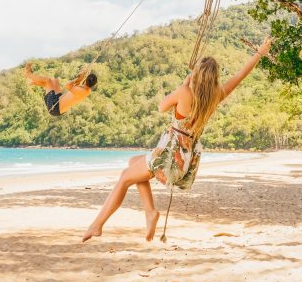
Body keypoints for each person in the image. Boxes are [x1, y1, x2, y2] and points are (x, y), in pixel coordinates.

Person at [82, 37, 272, 243]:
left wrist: (184, 84)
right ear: (215, 78)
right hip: (184, 157)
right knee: (132, 163)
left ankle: (97, 225)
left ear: (196, 75)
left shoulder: (184, 92)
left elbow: (162, 107)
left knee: (125, 178)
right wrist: (260, 53)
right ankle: (150, 212)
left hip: (168, 155)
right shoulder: (217, 95)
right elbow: (241, 75)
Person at [25, 63, 98, 116]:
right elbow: (77, 84)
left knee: (48, 81)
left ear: (85, 80)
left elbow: (68, 85)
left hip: (55, 107)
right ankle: (35, 82)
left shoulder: (81, 91)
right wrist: (81, 77)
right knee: (54, 81)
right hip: (58, 100)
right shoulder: (87, 89)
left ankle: (28, 74)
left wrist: (79, 78)